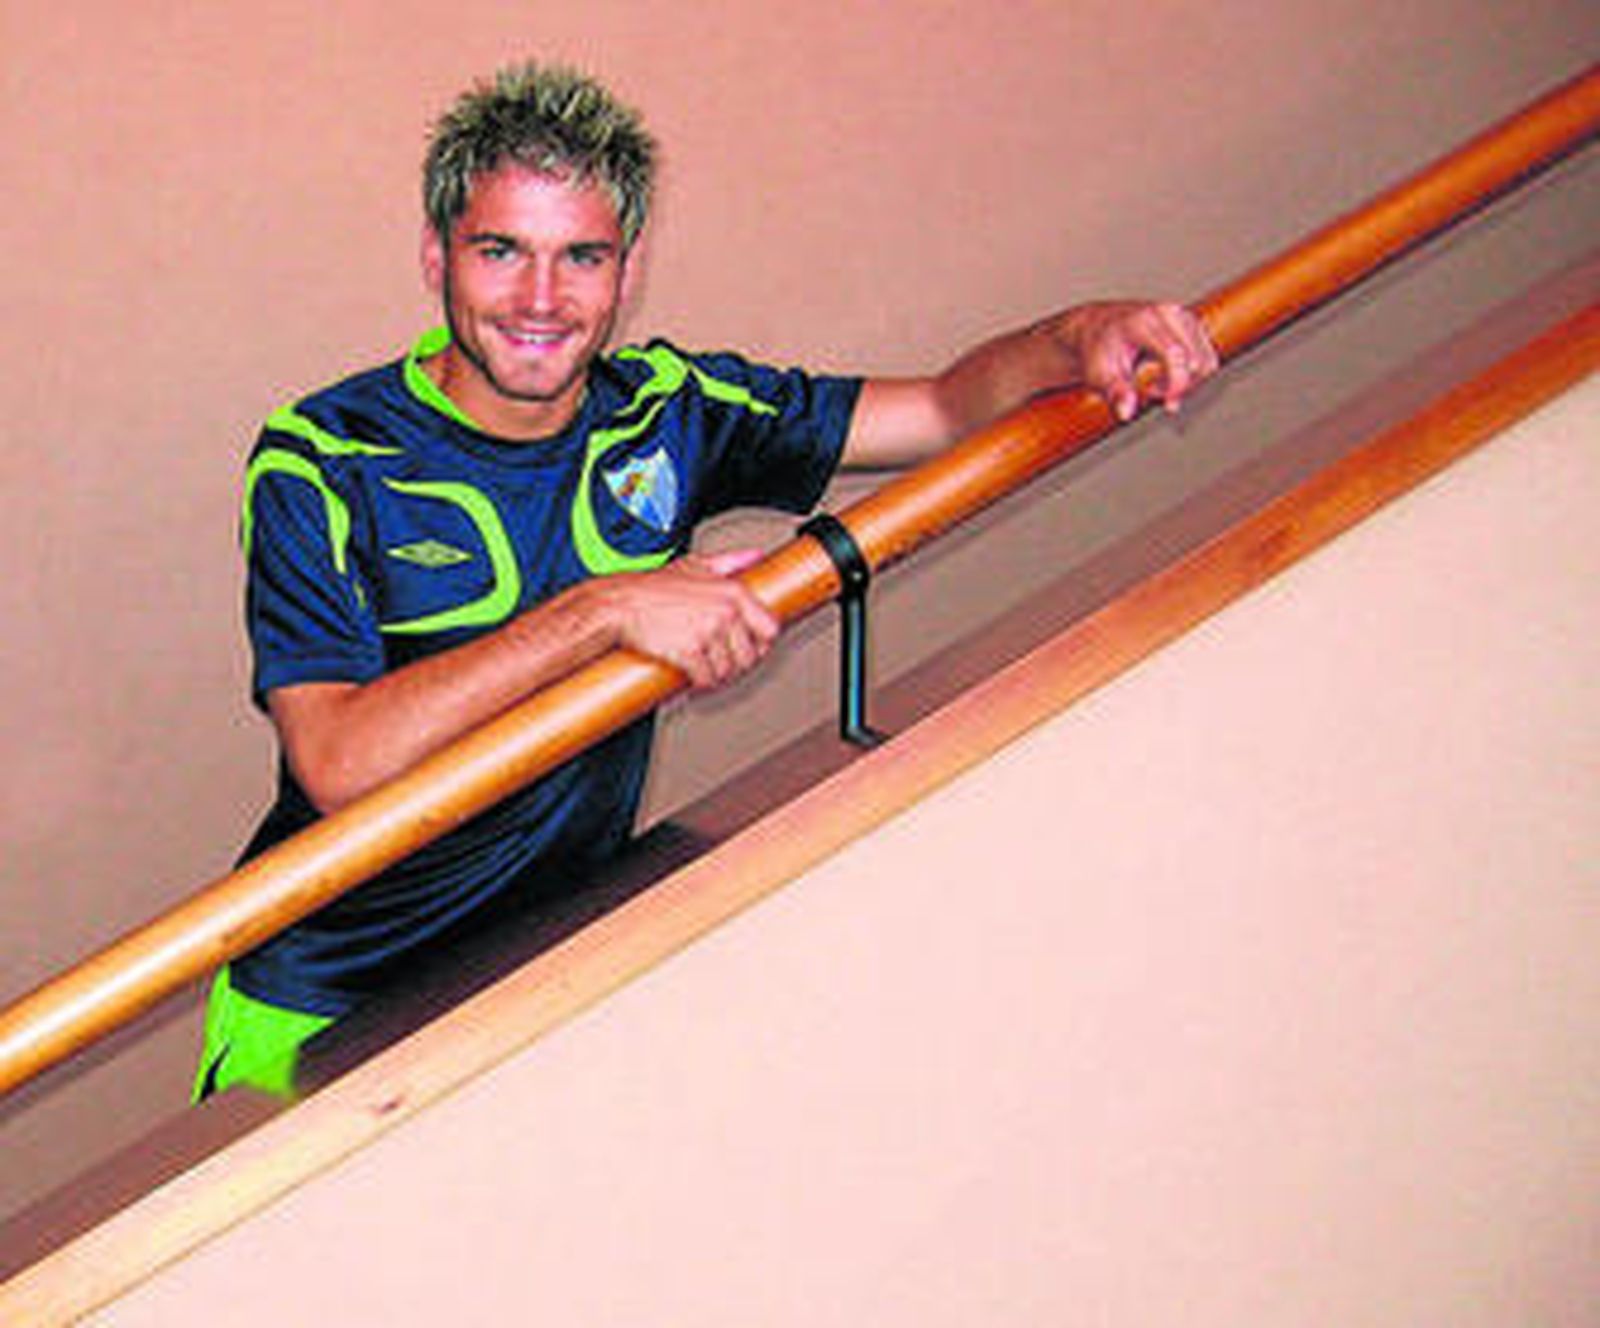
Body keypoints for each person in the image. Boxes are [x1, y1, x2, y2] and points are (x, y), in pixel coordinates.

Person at [194, 61, 1218, 1100]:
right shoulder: (323, 457)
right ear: (435, 255)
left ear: (627, 269)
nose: (542, 299)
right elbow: (339, 759)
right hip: (321, 1007)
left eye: (581, 256)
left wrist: (1076, 336)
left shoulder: (672, 407)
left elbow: (945, 411)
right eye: (501, 251)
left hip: (541, 975)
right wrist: (605, 610)